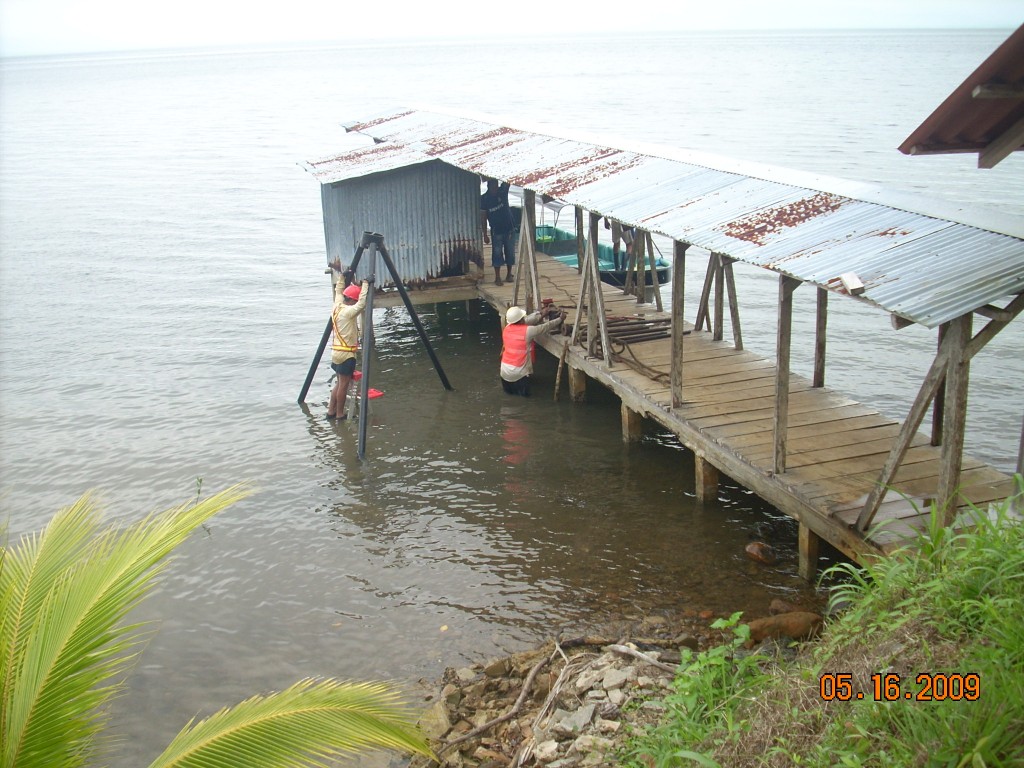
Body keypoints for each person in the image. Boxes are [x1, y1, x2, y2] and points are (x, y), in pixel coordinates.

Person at [327, 277, 370, 419]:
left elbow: (338, 291)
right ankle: (339, 414)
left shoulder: (337, 305)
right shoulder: (348, 312)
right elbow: (362, 304)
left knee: (339, 383)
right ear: (352, 300)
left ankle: (331, 411)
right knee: (343, 385)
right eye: (355, 301)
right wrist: (365, 284)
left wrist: (342, 278)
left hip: (336, 352)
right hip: (346, 354)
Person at [500, 304, 564, 397]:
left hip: (505, 373)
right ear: (521, 320)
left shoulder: (507, 328)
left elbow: (527, 320)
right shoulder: (528, 331)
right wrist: (560, 319)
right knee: (524, 397)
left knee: (510, 395)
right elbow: (545, 327)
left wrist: (540, 314)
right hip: (520, 374)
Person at [480, 178, 516, 286]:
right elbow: (483, 217)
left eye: (496, 186)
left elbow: (509, 178)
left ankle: (509, 274)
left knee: (510, 252)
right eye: (493, 186)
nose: (495, 188)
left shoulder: (502, 191)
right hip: (496, 230)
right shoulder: (484, 199)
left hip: (509, 228)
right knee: (497, 253)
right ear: (488, 187)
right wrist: (485, 234)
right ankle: (497, 277)